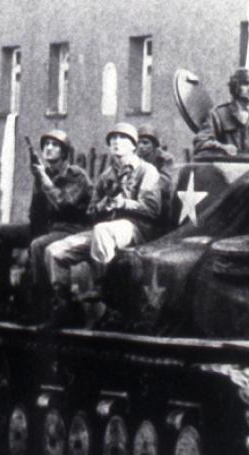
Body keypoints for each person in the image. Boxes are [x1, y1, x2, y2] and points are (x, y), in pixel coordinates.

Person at [46, 122, 163, 316]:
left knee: (102, 231)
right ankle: (66, 308)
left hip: (136, 229)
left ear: (133, 145)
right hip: (106, 230)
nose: (117, 142)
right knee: (55, 251)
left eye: (123, 139)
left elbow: (152, 209)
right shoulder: (106, 175)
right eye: (113, 139)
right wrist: (102, 205)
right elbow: (90, 211)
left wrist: (122, 203)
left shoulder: (146, 171)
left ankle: (104, 289)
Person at [0, 129, 92, 309]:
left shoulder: (76, 176)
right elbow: (36, 213)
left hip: (69, 229)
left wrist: (43, 178)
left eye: (55, 145)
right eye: (46, 145)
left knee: (38, 244)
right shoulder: (43, 173)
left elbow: (63, 204)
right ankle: (2, 288)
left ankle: (42, 300)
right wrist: (39, 179)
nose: (48, 149)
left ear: (65, 152)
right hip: (45, 227)